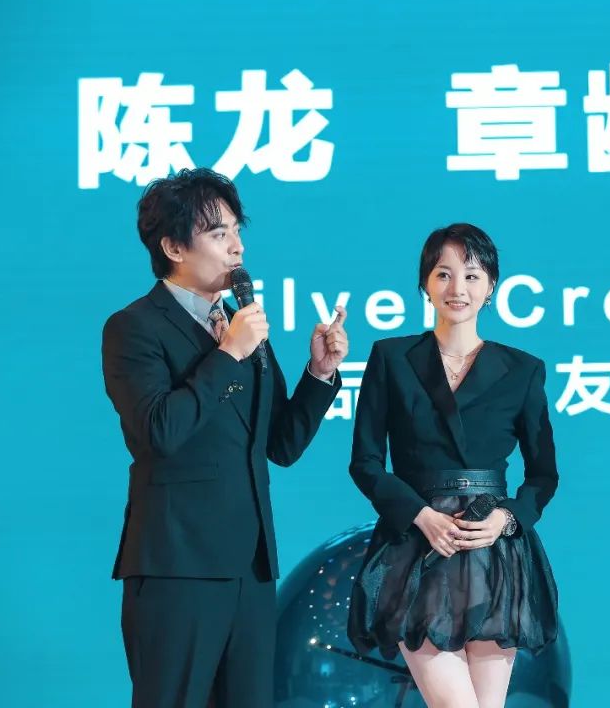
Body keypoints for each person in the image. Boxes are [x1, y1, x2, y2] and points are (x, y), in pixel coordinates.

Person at [101, 168, 348, 708]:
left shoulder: (238, 321)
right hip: (177, 567)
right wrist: (229, 353)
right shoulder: (134, 327)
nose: (237, 247)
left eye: (237, 230)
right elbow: (159, 431)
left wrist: (319, 373)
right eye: (218, 233)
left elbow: (280, 445)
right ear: (173, 247)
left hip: (250, 569)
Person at [347, 223, 559, 708]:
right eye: (443, 274)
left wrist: (506, 520)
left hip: (493, 554)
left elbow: (543, 475)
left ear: (491, 287)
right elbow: (365, 462)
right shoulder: (391, 357)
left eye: (472, 275)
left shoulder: (523, 369)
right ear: (425, 283)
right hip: (417, 548)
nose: (457, 288)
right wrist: (420, 515)